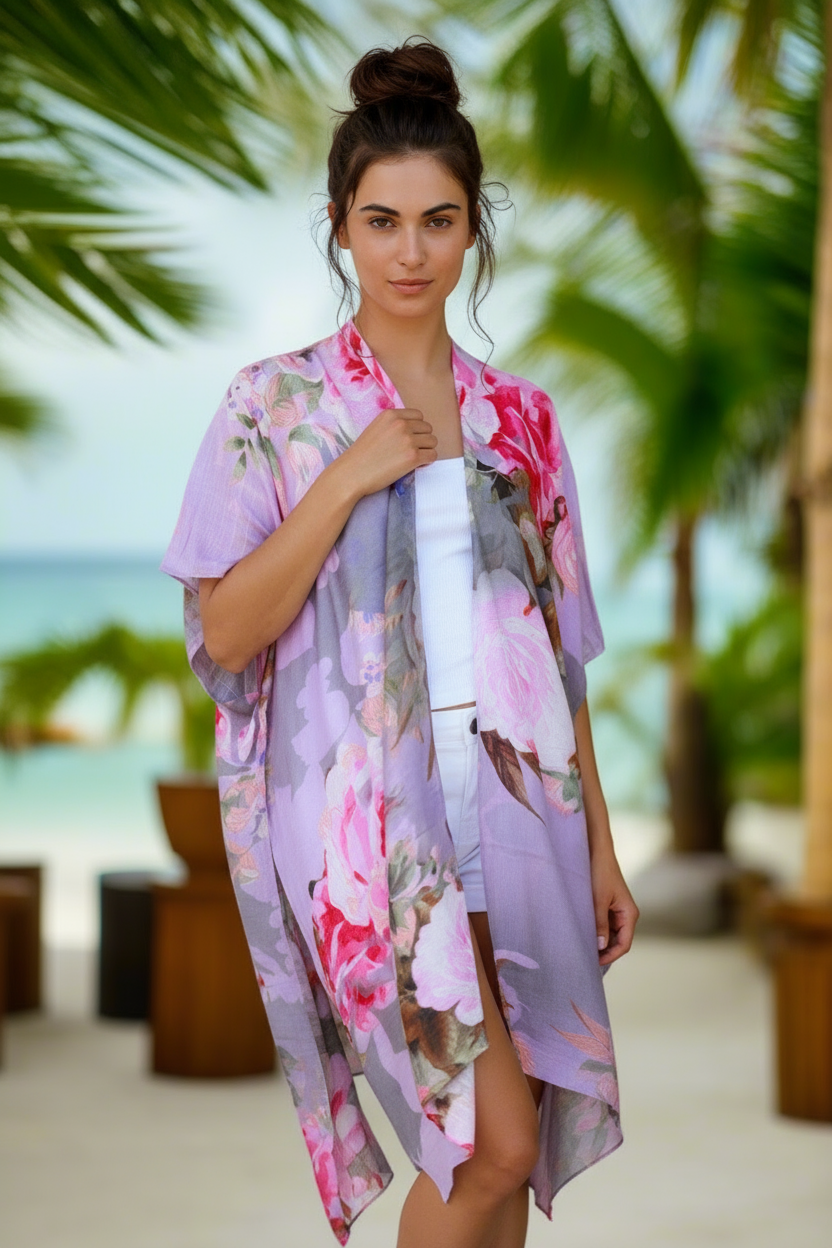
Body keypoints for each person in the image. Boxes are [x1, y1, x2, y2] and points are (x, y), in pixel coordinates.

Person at [161, 36, 639, 1248]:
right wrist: (345, 480)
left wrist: (602, 851)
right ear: (338, 227)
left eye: (438, 220)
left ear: (475, 226)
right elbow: (224, 630)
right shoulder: (274, 409)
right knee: (490, 1145)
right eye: (381, 221)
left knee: (499, 1151)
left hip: (516, 819)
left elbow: (560, 652)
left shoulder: (518, 419)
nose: (410, 252)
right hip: (367, 840)